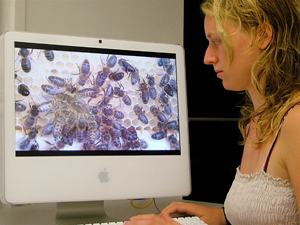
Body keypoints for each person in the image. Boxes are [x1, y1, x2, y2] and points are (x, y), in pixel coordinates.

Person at [124, 0, 300, 224]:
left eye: (217, 41)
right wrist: (220, 217)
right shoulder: (257, 120)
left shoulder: (296, 122)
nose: (208, 57)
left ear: (263, 35)